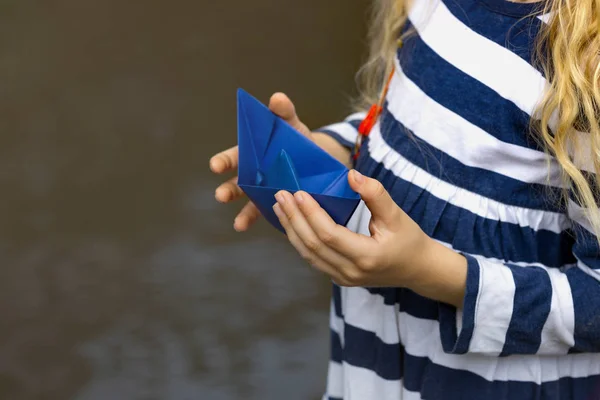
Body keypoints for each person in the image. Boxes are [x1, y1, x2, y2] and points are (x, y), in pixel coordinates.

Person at [209, 0, 600, 397]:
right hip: (375, 374)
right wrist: (318, 156)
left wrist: (428, 270)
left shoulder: (589, 58)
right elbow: (405, 127)